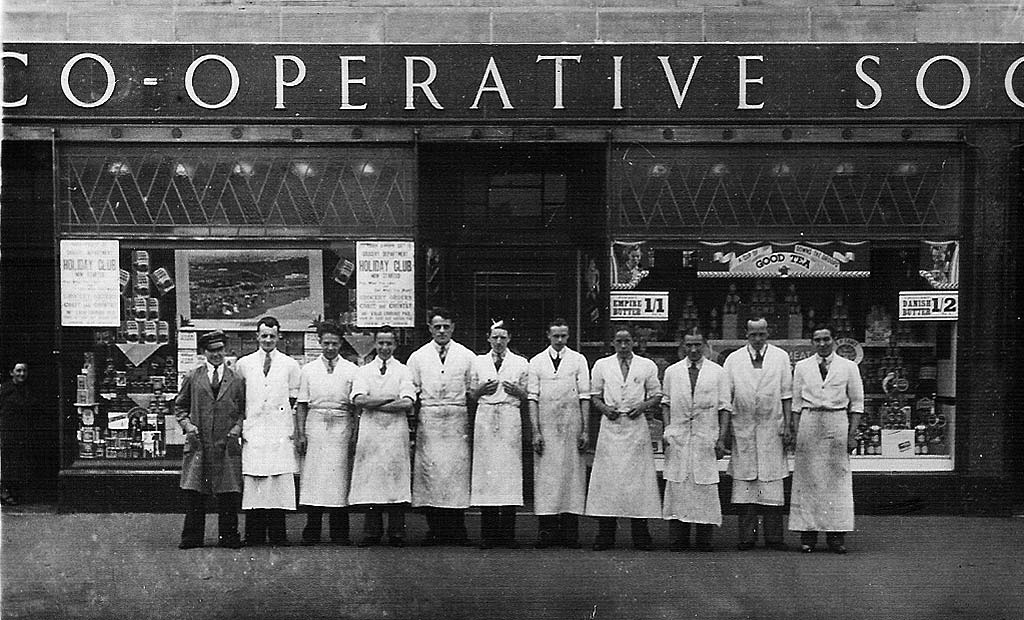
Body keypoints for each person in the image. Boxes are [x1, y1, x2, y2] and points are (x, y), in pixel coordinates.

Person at [585, 327, 663, 551]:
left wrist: (643, 406)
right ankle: (605, 535)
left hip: (636, 428)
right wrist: (604, 408)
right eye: (619, 341)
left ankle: (641, 535)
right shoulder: (602, 365)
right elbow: (594, 395)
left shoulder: (647, 365)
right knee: (608, 483)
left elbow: (657, 394)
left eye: (627, 340)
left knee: (638, 483)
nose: (623, 345)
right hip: (610, 427)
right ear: (613, 343)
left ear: (633, 342)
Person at [789, 326, 864, 554]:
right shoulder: (802, 367)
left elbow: (857, 403)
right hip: (810, 421)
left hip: (836, 421)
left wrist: (852, 435)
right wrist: (794, 431)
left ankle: (836, 537)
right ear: (812, 342)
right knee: (807, 479)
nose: (822, 344)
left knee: (836, 481)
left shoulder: (848, 367)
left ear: (833, 340)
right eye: (817, 340)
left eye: (826, 339)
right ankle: (808, 537)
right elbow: (795, 404)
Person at [406, 307, 475, 546]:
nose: (442, 331)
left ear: (453, 327)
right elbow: (411, 391)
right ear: (430, 329)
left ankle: (457, 528)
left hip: (456, 419)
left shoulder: (467, 356)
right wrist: (413, 426)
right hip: (430, 420)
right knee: (431, 475)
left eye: (446, 326)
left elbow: (472, 390)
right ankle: (434, 529)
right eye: (437, 327)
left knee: (455, 475)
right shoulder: (418, 357)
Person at [722, 318, 793, 551]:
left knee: (771, 485)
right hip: (743, 427)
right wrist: (727, 433)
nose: (758, 339)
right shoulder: (733, 360)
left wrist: (788, 425)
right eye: (754, 335)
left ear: (767, 333)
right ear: (746, 335)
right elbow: (726, 398)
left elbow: (786, 395)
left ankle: (774, 538)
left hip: (772, 427)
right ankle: (747, 537)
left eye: (762, 334)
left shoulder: (781, 357)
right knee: (746, 487)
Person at [174, 331, 246, 549]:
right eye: (211, 351)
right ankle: (192, 537)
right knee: (196, 491)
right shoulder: (193, 377)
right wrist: (187, 426)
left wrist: (237, 427)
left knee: (228, 492)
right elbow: (180, 406)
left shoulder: (236, 379)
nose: (216, 355)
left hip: (226, 441)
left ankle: (229, 536)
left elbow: (244, 409)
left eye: (220, 350)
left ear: (225, 350)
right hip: (200, 441)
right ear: (204, 353)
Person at [661, 328, 730, 552]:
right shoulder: (673, 371)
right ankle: (677, 538)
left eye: (697, 345)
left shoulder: (717, 372)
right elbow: (666, 403)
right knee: (678, 485)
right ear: (682, 346)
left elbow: (724, 408)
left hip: (705, 436)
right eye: (688, 345)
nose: (693, 349)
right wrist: (668, 430)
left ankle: (704, 539)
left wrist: (721, 438)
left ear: (705, 345)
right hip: (679, 435)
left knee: (705, 487)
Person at [236, 316, 301, 546]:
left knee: (277, 482)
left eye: (272, 336)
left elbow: (294, 398)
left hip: (278, 431)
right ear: (257, 336)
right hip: (253, 430)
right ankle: (253, 534)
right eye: (264, 335)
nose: (268, 340)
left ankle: (278, 535)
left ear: (279, 337)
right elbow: (239, 397)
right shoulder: (244, 364)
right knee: (255, 482)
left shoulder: (290, 365)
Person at [349, 326, 416, 547]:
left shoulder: (404, 370)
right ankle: (371, 533)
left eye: (389, 343)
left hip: (395, 433)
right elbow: (359, 400)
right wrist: (388, 398)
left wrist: (375, 403)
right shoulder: (364, 371)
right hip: (371, 434)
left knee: (395, 480)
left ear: (395, 345)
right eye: (381, 343)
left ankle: (396, 533)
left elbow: (407, 402)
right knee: (372, 481)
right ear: (375, 344)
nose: (385, 348)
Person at [527, 317, 590, 549]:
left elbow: (585, 396)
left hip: (571, 427)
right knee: (546, 479)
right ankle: (546, 532)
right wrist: (536, 431)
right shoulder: (536, 362)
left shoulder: (578, 360)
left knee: (571, 478)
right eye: (556, 336)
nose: (560, 340)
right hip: (547, 427)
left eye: (564, 336)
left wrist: (585, 430)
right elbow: (532, 398)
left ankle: (570, 533)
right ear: (548, 335)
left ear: (569, 336)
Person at [294, 322, 358, 545]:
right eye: (326, 343)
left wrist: (354, 435)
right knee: (314, 478)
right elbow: (301, 404)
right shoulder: (308, 369)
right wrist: (301, 433)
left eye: (335, 343)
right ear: (319, 343)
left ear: (341, 343)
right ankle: (312, 531)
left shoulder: (352, 369)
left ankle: (339, 533)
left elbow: (357, 406)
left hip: (341, 424)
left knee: (338, 478)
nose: (330, 347)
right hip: (316, 424)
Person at [469, 320, 529, 549]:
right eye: (495, 337)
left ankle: (508, 534)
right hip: (485, 417)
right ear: (488, 339)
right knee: (487, 475)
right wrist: (481, 390)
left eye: (503, 337)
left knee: (508, 476)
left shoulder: (521, 363)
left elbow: (529, 394)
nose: (499, 342)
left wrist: (518, 392)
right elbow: (472, 394)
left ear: (509, 339)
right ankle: (488, 535)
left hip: (509, 417)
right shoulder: (478, 362)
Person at [0, 362, 32, 506]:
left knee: (17, 463)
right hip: (6, 431)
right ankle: (4, 491)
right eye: (18, 371)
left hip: (21, 432)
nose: (22, 374)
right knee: (7, 462)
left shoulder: (26, 390)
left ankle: (14, 491)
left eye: (24, 371)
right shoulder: (5, 390)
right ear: (11, 372)